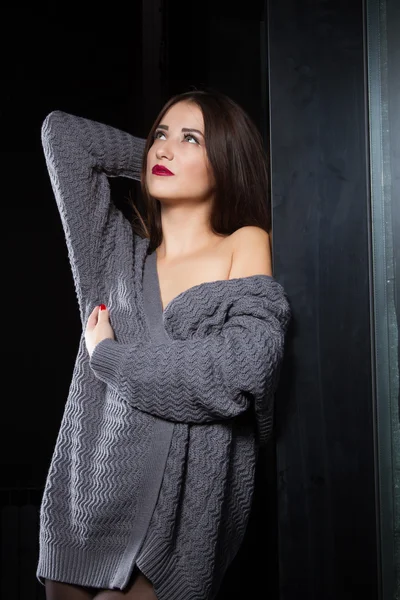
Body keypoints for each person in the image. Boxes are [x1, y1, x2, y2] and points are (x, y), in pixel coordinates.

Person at [36, 87, 291, 600]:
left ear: (224, 158)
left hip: (173, 523)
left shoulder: (244, 243)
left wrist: (108, 357)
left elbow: (241, 370)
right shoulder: (112, 255)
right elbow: (62, 135)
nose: (165, 149)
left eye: (190, 138)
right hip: (84, 495)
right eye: (160, 135)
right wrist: (166, 158)